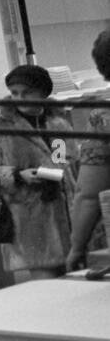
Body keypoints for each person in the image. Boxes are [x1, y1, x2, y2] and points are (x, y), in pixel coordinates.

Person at [0, 64, 73, 280]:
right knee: (47, 289)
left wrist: (57, 173)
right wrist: (18, 175)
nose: (20, 98)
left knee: (75, 289)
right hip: (30, 221)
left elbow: (63, 161)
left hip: (66, 216)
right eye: (15, 93)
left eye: (27, 93)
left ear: (43, 94)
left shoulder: (57, 124)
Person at [67, 29, 110, 272]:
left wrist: (77, 245)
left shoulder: (57, 124)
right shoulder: (0, 128)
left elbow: (88, 190)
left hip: (69, 185)